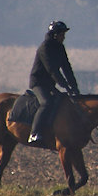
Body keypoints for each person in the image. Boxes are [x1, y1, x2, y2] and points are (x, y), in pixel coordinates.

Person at [27, 20, 80, 148]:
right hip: (38, 83)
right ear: (55, 35)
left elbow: (67, 68)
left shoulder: (60, 47)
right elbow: (52, 70)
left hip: (50, 84)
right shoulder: (45, 48)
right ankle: (34, 133)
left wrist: (74, 87)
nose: (64, 37)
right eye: (62, 34)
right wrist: (65, 85)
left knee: (63, 102)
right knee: (47, 102)